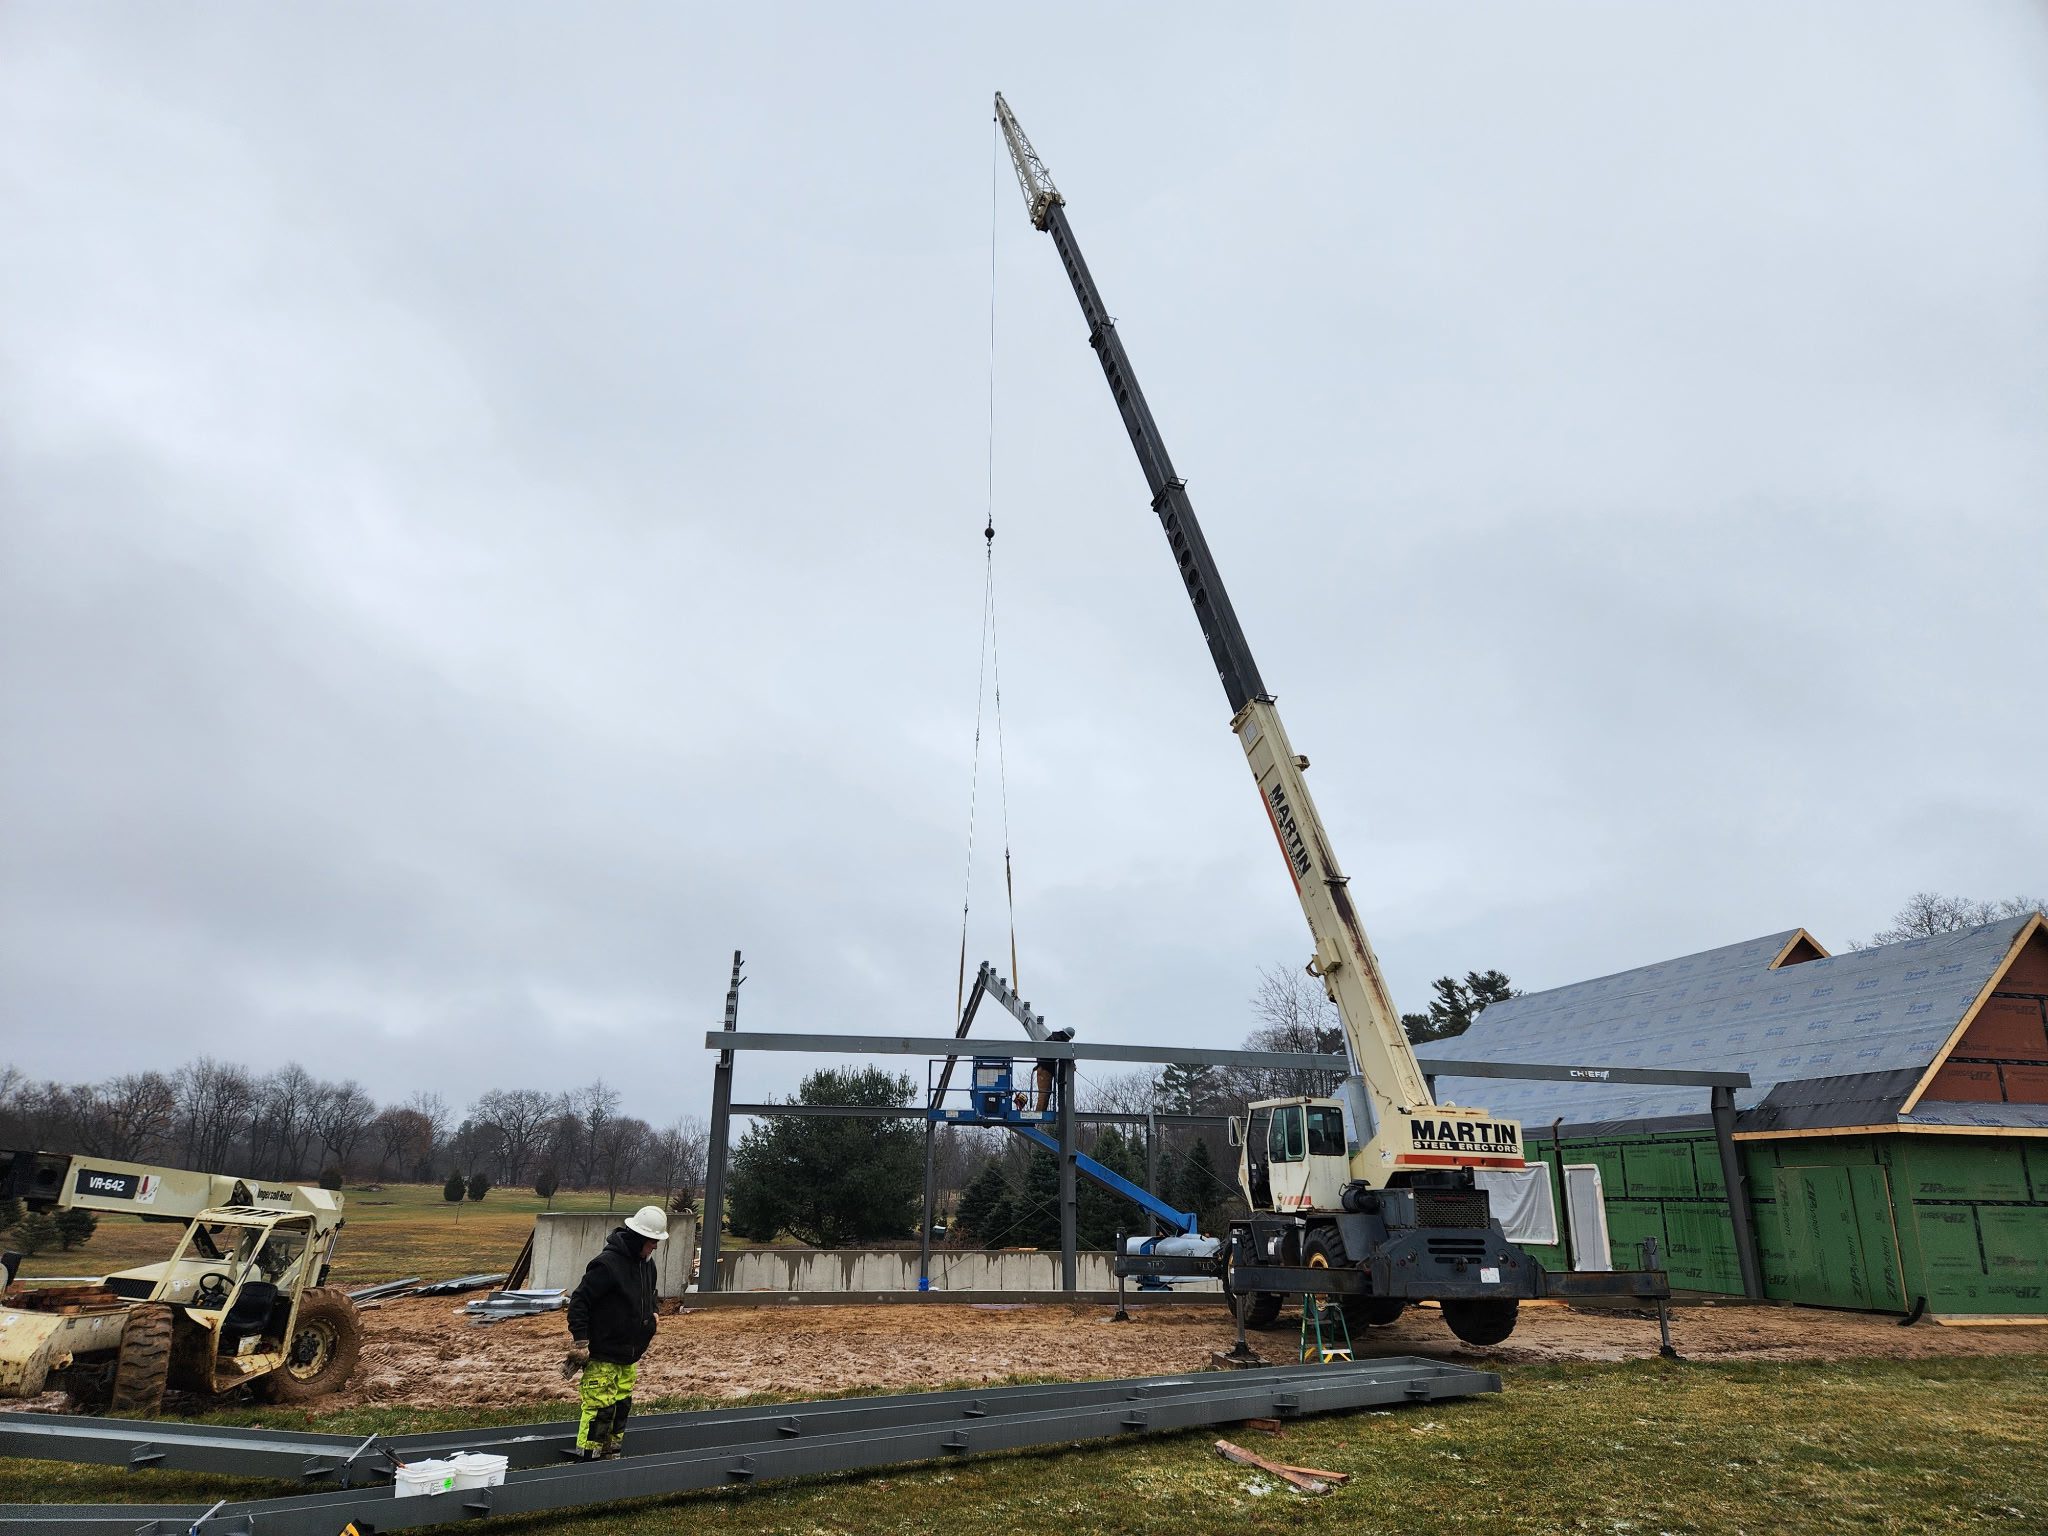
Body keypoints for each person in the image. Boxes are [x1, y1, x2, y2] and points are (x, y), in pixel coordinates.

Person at [562, 1204, 668, 1458]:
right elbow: (580, 1302)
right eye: (652, 1241)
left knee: (621, 1405)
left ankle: (612, 1454)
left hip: (629, 1354)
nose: (654, 1246)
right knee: (600, 1407)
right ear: (639, 1238)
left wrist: (652, 1317)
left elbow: (649, 1295)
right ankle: (589, 1458)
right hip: (603, 1353)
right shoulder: (607, 1265)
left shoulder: (647, 1266)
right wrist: (581, 1342)